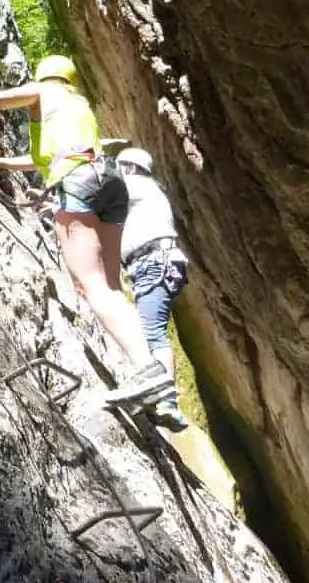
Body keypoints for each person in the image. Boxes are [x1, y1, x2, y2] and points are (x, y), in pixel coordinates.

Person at [0, 55, 175, 407]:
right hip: (109, 181)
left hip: (78, 183)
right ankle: (150, 374)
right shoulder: (75, 106)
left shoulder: (45, 91)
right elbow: (41, 160)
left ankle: (148, 370)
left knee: (90, 284)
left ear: (45, 77)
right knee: (111, 286)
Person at [115, 147, 190, 431]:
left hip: (153, 262)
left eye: (119, 166)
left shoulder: (137, 185)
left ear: (130, 168)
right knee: (151, 328)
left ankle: (166, 400)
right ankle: (160, 396)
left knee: (152, 330)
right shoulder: (147, 193)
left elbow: (98, 193)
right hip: (155, 263)